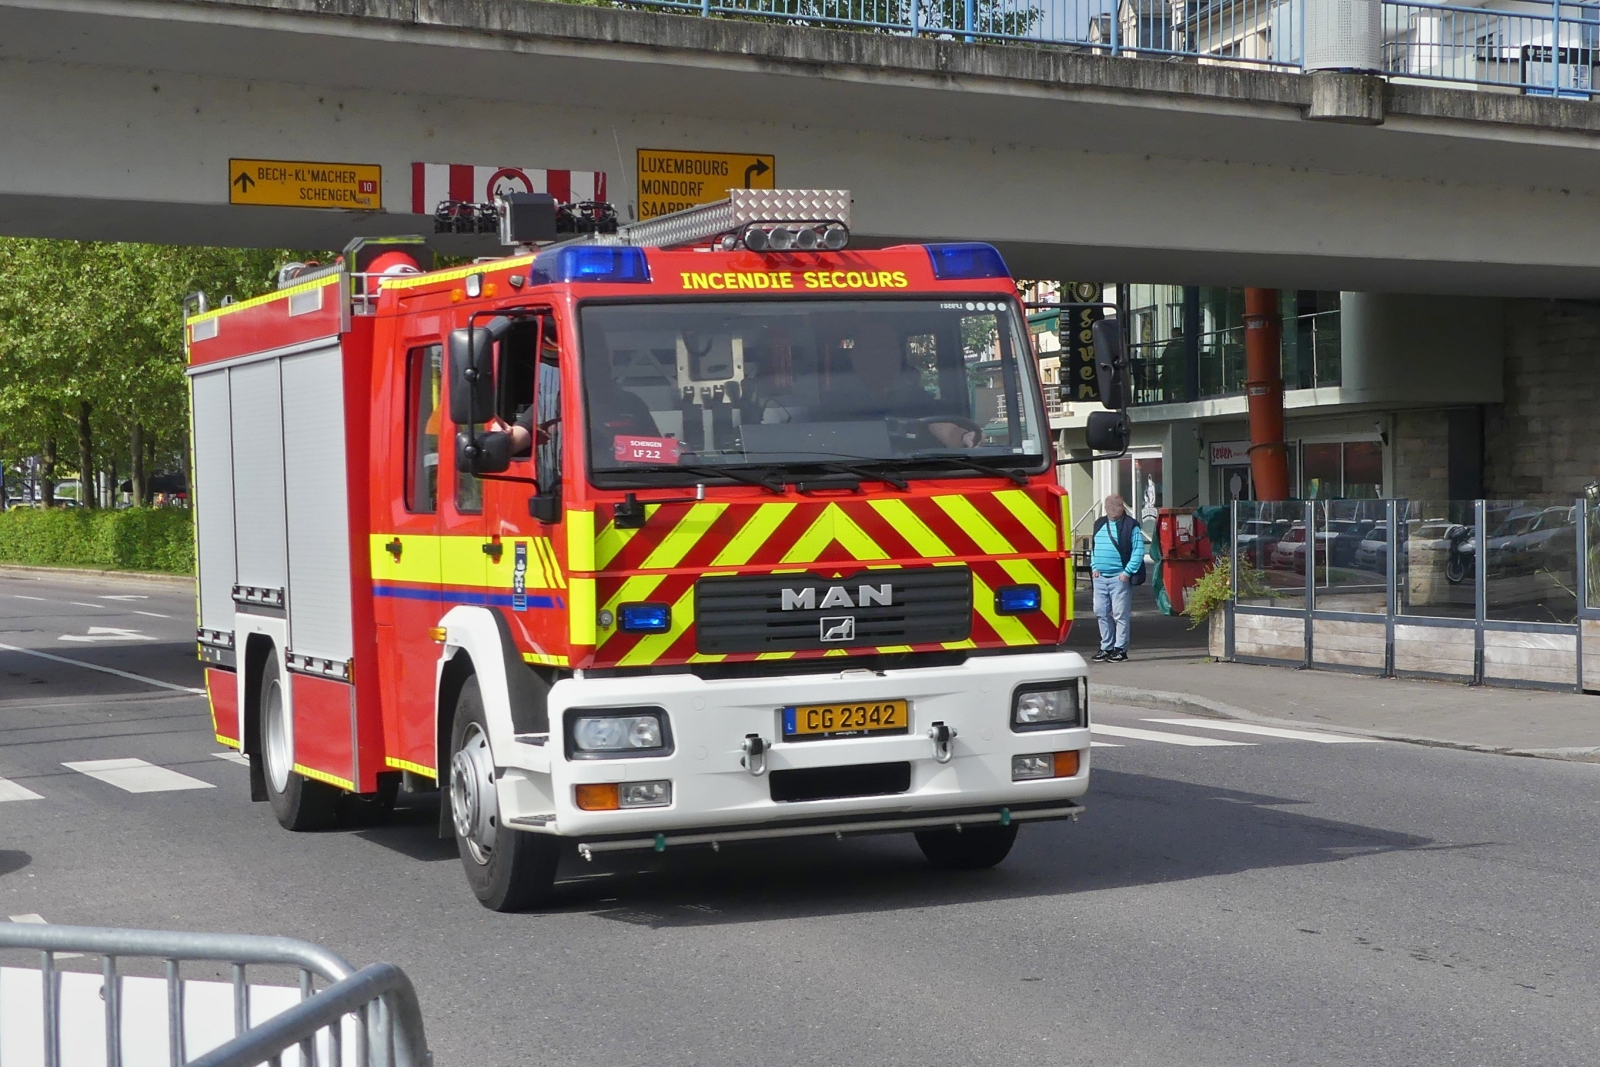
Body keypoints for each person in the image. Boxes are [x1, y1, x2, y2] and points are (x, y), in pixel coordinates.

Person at [817, 321, 980, 449]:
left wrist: (964, 437)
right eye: (874, 349)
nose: (883, 357)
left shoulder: (918, 399)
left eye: (889, 349)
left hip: (914, 477)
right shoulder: (835, 405)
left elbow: (945, 428)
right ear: (855, 356)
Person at [1090, 494, 1144, 662]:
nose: (1113, 509)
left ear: (1122, 507)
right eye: (1110, 506)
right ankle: (1106, 647)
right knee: (1101, 612)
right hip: (1100, 578)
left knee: (1120, 615)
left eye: (1117, 506)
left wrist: (1126, 573)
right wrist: (1094, 567)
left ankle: (1120, 649)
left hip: (1119, 578)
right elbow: (1094, 548)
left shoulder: (1130, 526)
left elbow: (1138, 551)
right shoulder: (1099, 524)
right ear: (1105, 507)